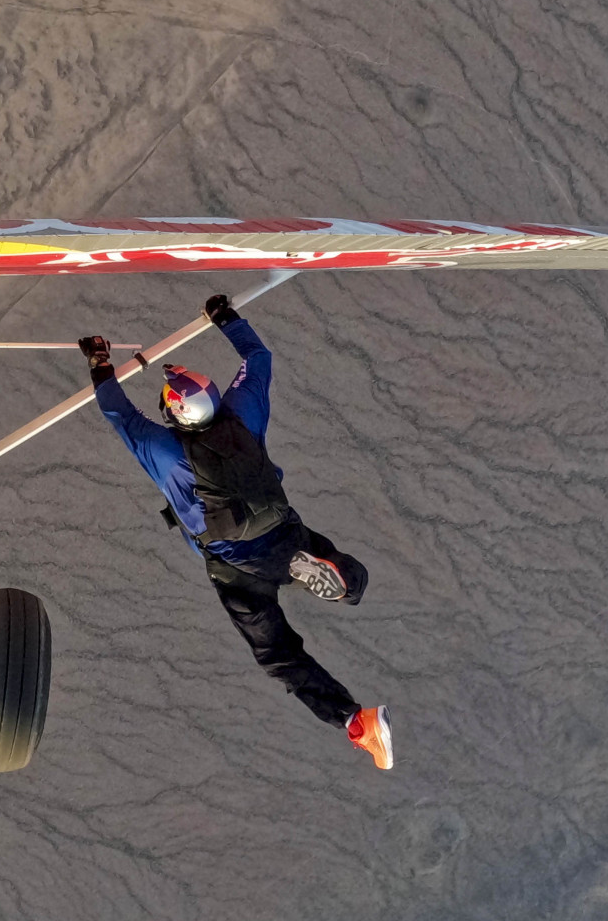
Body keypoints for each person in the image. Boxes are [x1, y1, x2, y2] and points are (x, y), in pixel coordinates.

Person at [79, 294, 393, 769]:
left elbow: (118, 411)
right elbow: (257, 357)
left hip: (235, 567)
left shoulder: (168, 453)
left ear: (175, 415)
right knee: (350, 576)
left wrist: (100, 363)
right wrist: (223, 316)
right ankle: (344, 583)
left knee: (278, 655)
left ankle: (354, 719)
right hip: (284, 534)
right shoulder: (242, 412)